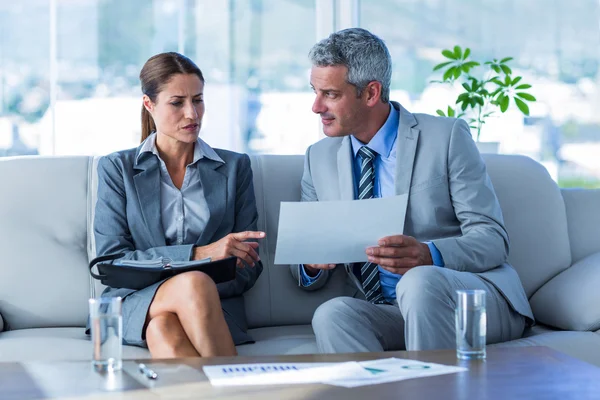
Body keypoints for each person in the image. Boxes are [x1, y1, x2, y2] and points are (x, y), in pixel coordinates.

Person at [290, 28, 534, 353]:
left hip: (468, 301)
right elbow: (305, 259)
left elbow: (492, 239)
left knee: (419, 281)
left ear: (371, 93)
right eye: (314, 91)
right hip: (390, 310)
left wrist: (429, 254)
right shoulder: (318, 158)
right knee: (332, 314)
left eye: (330, 94)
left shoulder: (446, 138)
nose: (316, 106)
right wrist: (310, 262)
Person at [92, 52, 265, 358]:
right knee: (193, 285)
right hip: (137, 299)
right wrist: (199, 257)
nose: (192, 114)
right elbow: (112, 262)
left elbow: (248, 267)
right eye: (177, 103)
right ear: (149, 104)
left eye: (198, 100)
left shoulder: (235, 168)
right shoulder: (117, 168)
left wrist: (196, 294)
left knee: (163, 330)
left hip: (215, 308)